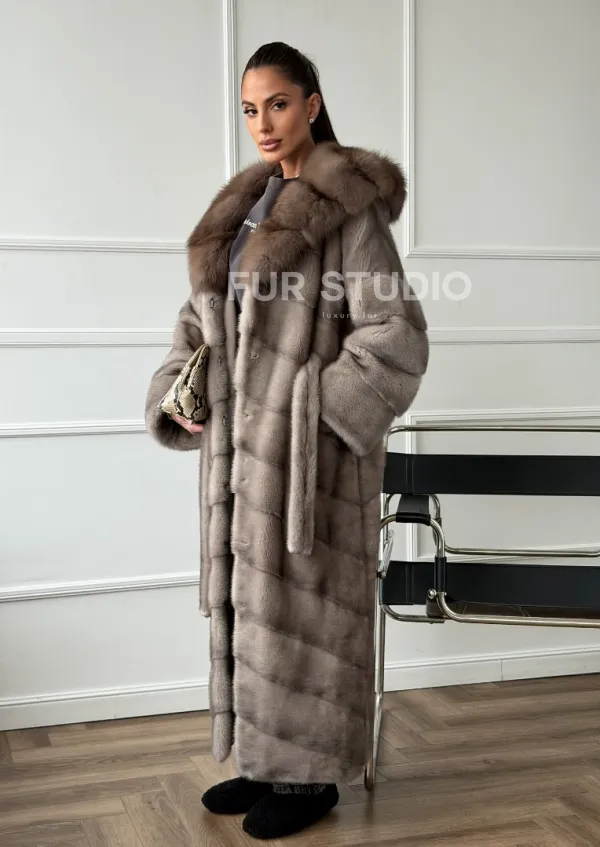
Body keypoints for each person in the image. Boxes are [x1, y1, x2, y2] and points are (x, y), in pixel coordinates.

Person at [145, 41, 429, 840]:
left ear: (311, 103)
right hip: (240, 455)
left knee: (305, 607)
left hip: (310, 464)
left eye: (276, 103)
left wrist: (312, 416)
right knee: (253, 605)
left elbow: (396, 334)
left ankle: (311, 775)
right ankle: (267, 757)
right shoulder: (242, 210)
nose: (262, 123)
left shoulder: (348, 210)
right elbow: (198, 319)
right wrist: (179, 387)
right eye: (249, 109)